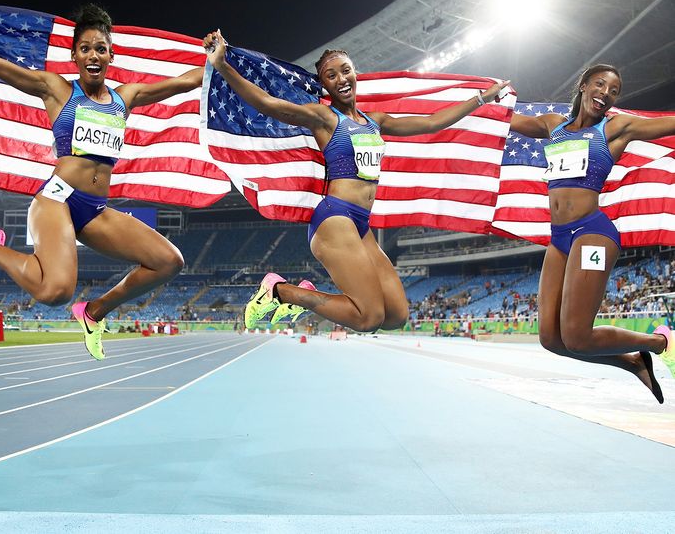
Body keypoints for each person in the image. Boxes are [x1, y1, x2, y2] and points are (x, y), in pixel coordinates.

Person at [204, 29, 508, 333]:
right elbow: (269, 104)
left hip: (362, 224)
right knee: (368, 317)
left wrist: (482, 98)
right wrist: (222, 65)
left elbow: (432, 122)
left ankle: (299, 294)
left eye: (345, 70)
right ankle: (278, 291)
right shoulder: (324, 118)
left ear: (355, 73)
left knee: (395, 315)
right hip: (335, 217)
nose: (341, 79)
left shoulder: (376, 121)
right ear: (324, 84)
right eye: (331, 75)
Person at [0, 5, 203, 360]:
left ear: (111, 55)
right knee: (55, 292)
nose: (93, 55)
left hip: (94, 209)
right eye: (85, 48)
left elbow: (186, 81)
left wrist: (218, 60)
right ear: (74, 55)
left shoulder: (125, 97)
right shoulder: (57, 90)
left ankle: (94, 312)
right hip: (57, 200)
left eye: (100, 48)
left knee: (169, 261)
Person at [509, 64, 675, 402]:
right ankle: (633, 364)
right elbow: (498, 122)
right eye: (600, 84)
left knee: (577, 337)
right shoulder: (553, 125)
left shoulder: (615, 127)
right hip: (560, 238)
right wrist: (481, 99)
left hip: (593, 234)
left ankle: (661, 342)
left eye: (614, 91)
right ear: (583, 85)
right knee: (552, 340)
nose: (606, 93)